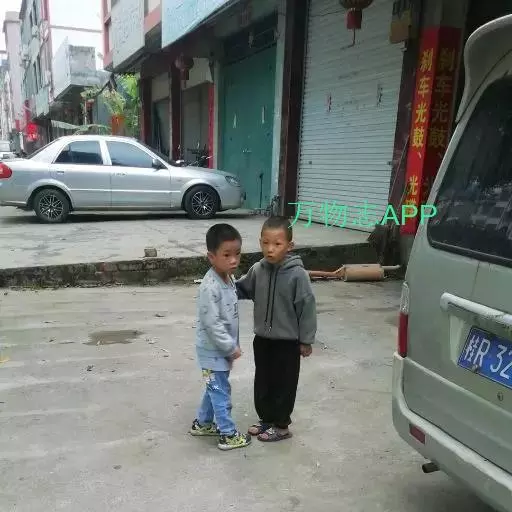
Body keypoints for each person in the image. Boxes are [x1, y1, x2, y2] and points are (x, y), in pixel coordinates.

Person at [236, 216, 317, 442]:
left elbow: (307, 307)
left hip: (287, 343)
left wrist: (306, 340)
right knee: (263, 381)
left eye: (277, 244)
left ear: (289, 246)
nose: (270, 249)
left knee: (284, 384)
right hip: (262, 339)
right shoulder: (258, 269)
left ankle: (281, 426)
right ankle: (266, 419)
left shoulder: (297, 275)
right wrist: (222, 286)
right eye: (265, 243)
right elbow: (243, 288)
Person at [189, 223, 252, 451]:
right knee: (220, 391)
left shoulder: (228, 278)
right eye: (227, 255)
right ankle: (228, 433)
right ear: (211, 257)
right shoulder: (210, 287)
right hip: (212, 351)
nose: (234, 260)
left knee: (213, 388)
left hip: (220, 351)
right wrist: (230, 347)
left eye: (237, 254)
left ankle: (203, 423)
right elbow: (212, 324)